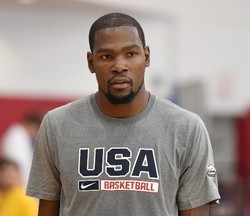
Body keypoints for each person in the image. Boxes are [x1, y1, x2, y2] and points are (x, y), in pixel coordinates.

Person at [26, 12, 220, 216]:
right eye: (106, 56)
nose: (119, 66)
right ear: (91, 62)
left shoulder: (187, 128)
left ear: (146, 57)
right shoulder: (57, 125)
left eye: (131, 54)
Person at [1, 112, 44, 188]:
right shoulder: (16, 137)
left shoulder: (20, 136)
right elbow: (16, 167)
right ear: (33, 125)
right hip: (18, 188)